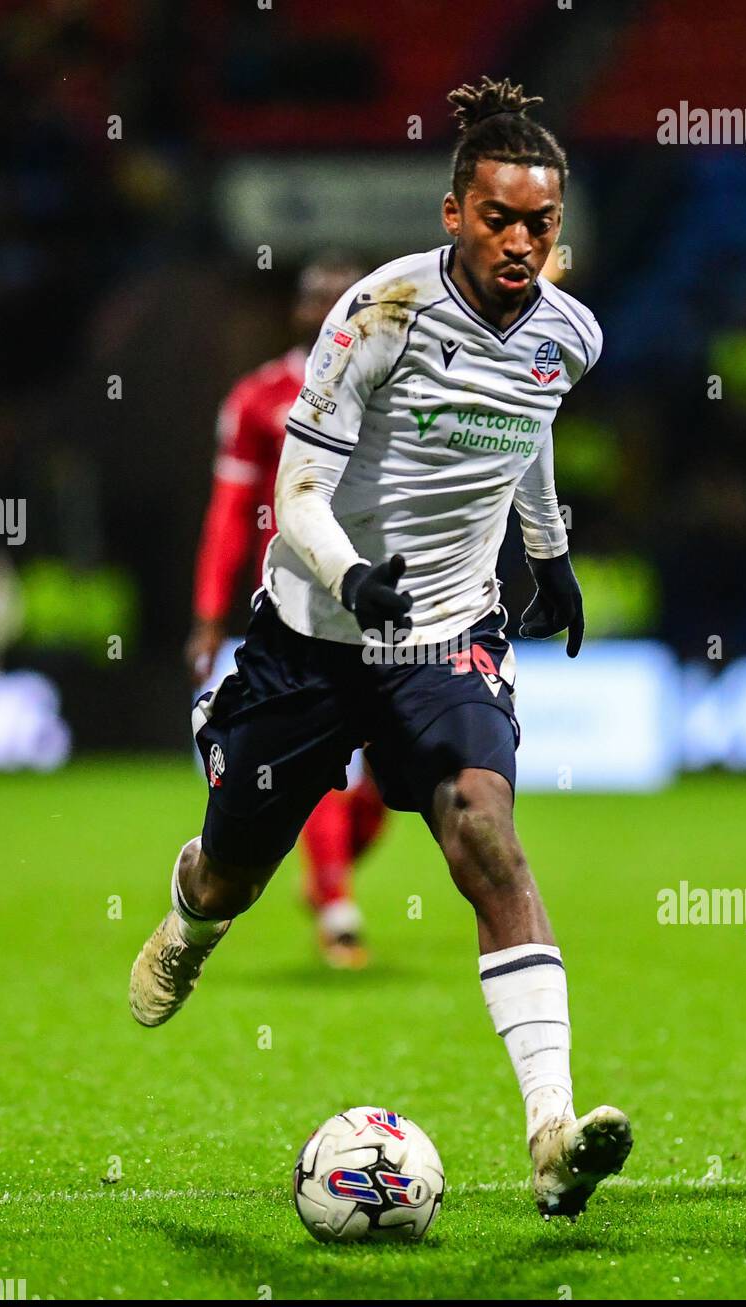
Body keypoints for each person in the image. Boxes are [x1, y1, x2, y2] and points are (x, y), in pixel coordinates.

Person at [131, 77, 632, 1221]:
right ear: (453, 211)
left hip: (446, 634)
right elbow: (296, 491)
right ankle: (192, 916)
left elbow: (530, 428)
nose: (519, 241)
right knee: (234, 870)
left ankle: (552, 1130)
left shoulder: (569, 333)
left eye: (539, 224)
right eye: (498, 218)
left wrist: (546, 551)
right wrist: (348, 572)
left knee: (483, 829)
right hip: (312, 637)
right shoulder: (378, 314)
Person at [185, 251, 385, 969]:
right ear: (299, 311)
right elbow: (230, 512)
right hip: (298, 609)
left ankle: (329, 875)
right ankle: (335, 903)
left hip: (384, 604)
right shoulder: (258, 398)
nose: (331, 310)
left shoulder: (396, 394)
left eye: (347, 299)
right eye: (317, 298)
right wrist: (210, 616)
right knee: (317, 757)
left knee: (393, 779)